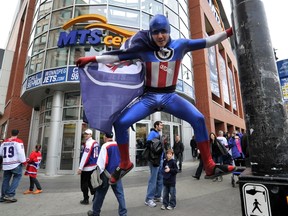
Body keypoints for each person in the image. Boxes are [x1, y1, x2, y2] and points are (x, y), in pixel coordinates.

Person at [76, 14, 236, 183]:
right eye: (156, 32)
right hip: (149, 97)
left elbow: (208, 41)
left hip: (170, 96)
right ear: (150, 33)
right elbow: (117, 56)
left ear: (169, 31)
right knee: (120, 123)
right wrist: (91, 59)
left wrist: (231, 31)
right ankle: (125, 163)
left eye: (163, 31)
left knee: (198, 118)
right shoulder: (143, 49)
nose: (160, 36)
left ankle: (209, 165)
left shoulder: (181, 45)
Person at [87, 132, 127, 216]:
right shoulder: (118, 145)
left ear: (105, 137)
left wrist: (98, 174)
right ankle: (123, 214)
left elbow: (102, 163)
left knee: (100, 194)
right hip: (117, 173)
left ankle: (95, 213)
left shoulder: (105, 146)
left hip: (106, 174)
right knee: (120, 194)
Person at [0, 129, 26, 203]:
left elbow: (0, 153)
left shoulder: (4, 142)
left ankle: (3, 196)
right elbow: (21, 153)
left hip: (6, 164)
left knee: (6, 180)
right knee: (17, 177)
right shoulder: (18, 141)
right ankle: (10, 195)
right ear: (18, 133)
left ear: (11, 133)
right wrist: (24, 162)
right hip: (15, 164)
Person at [145, 121, 164, 208]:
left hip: (160, 160)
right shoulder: (152, 133)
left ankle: (157, 196)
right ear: (156, 126)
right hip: (154, 161)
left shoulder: (158, 134)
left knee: (160, 179)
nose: (162, 126)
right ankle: (149, 199)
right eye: (161, 125)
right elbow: (148, 144)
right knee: (153, 179)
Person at [77, 129, 99, 205]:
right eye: (85, 134)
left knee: (84, 184)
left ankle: (86, 199)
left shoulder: (89, 143)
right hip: (93, 166)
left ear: (91, 135)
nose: (85, 135)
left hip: (87, 167)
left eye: (87, 134)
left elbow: (85, 156)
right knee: (91, 182)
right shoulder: (95, 142)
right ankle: (95, 195)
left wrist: (80, 168)